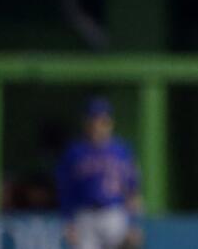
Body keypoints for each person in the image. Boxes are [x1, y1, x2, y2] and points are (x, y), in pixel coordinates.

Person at [56, 98, 143, 249]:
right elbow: (65, 190)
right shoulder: (74, 152)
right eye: (93, 121)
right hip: (85, 215)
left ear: (110, 123)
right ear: (86, 123)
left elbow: (133, 190)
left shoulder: (122, 150)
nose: (97, 126)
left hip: (113, 213)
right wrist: (68, 222)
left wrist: (134, 223)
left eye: (102, 121)